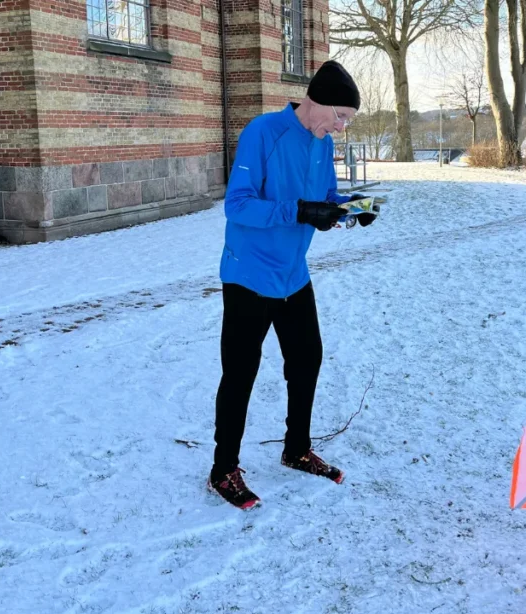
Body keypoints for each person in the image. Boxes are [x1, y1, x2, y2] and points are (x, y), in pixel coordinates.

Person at [208, 60, 377, 510]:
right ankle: (223, 469)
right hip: (249, 275)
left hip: (292, 275)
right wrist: (298, 212)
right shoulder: (263, 133)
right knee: (241, 372)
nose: (341, 127)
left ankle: (296, 448)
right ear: (315, 101)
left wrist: (350, 207)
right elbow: (238, 206)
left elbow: (322, 199)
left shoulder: (320, 145)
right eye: (340, 116)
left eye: (347, 121)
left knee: (307, 358)